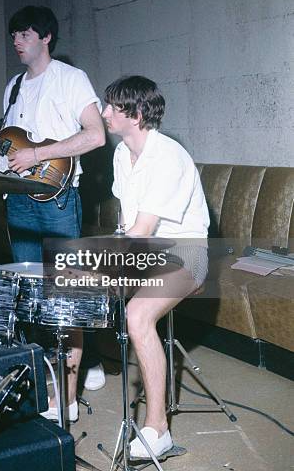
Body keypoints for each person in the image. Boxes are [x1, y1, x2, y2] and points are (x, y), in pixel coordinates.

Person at [0, 5, 106, 421]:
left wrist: (40, 153)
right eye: (13, 34)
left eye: (24, 34)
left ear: (45, 37)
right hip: (17, 200)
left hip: (58, 198)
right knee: (29, 294)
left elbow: (96, 135)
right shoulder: (13, 86)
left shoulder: (71, 79)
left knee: (65, 293)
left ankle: (74, 382)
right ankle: (46, 375)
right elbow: (10, 149)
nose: (16, 41)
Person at [102, 75, 209, 459]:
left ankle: (158, 429)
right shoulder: (120, 154)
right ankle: (65, 394)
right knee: (75, 285)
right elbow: (128, 225)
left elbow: (143, 230)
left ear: (138, 112)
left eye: (113, 107)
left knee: (138, 314)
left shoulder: (167, 155)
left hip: (186, 253)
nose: (104, 113)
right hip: (148, 251)